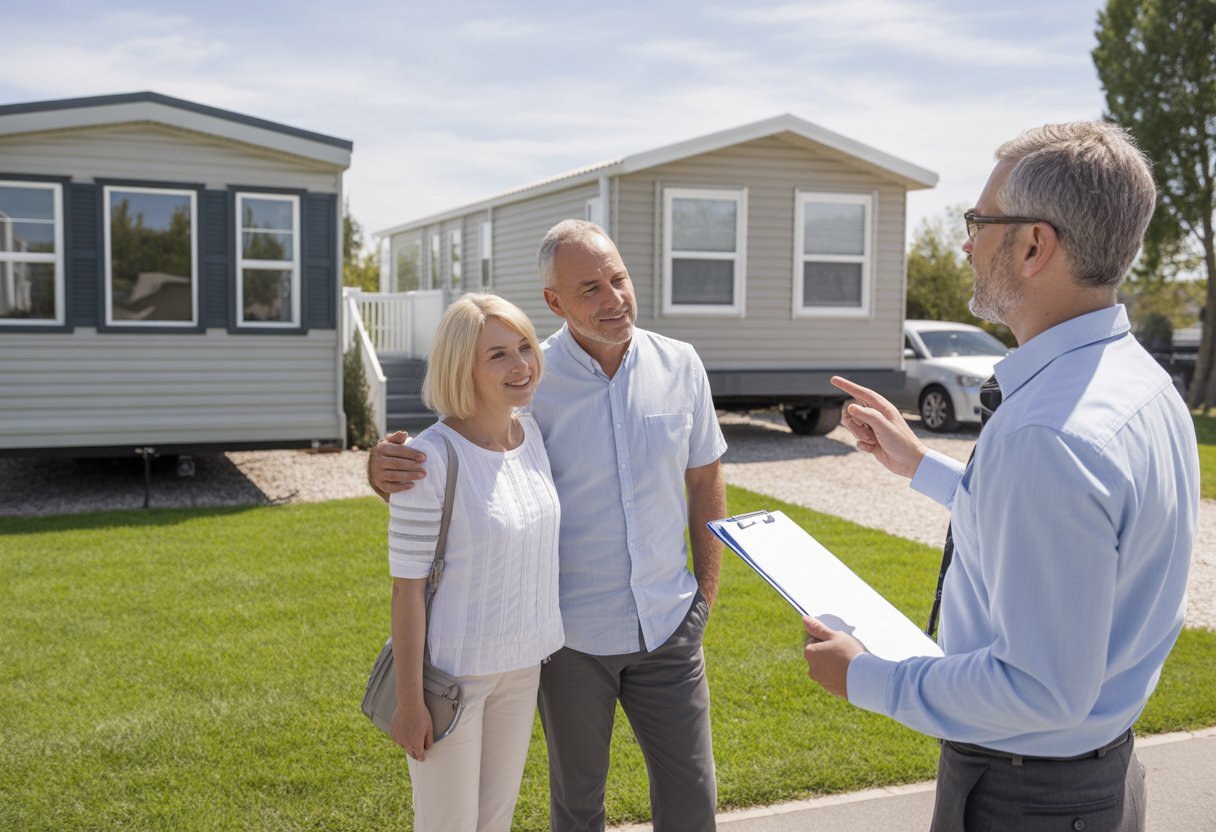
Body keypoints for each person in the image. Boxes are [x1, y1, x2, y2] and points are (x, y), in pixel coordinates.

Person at [803, 121, 1199, 832]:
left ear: (1032, 245)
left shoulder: (1047, 434)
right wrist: (920, 466)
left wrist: (864, 677)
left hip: (1029, 799)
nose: (965, 242)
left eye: (978, 222)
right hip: (1096, 776)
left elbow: (1040, 689)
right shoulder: (1137, 381)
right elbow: (1074, 535)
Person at [371, 220, 728, 832]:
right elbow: (461, 443)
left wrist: (705, 595)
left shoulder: (682, 365)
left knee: (693, 802)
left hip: (669, 625)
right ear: (555, 302)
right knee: (577, 806)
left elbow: (705, 480)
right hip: (568, 640)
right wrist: (382, 467)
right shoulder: (529, 380)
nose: (614, 299)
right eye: (590, 288)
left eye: (618, 278)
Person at [386, 293, 564, 831]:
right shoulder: (429, 457)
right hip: (453, 678)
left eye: (525, 348)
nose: (521, 365)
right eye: (498, 356)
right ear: (462, 366)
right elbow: (408, 591)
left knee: (495, 823)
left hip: (523, 663)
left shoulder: (530, 434)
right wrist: (410, 703)